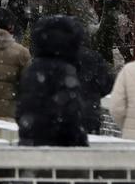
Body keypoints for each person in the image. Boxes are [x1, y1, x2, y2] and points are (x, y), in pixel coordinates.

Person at [15, 14, 88, 146]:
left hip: (29, 145)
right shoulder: (66, 72)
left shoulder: (32, 70)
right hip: (59, 151)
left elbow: (22, 109)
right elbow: (70, 116)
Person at [76, 32, 115, 135]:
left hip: (63, 116)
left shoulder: (60, 57)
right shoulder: (95, 58)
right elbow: (108, 85)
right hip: (89, 115)